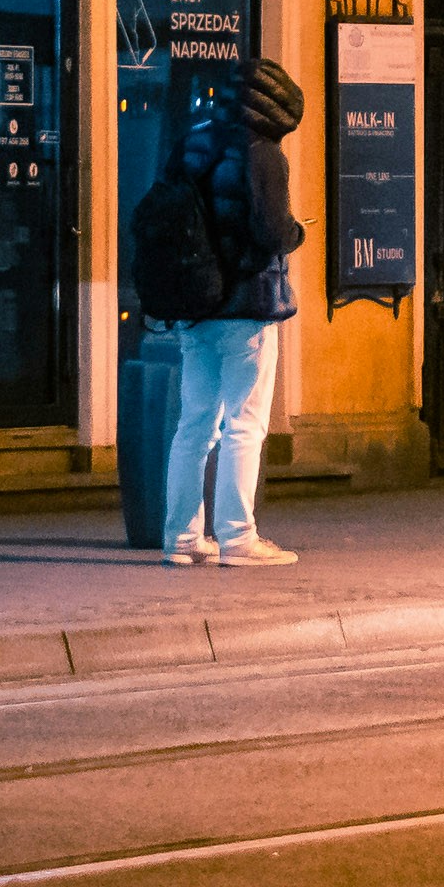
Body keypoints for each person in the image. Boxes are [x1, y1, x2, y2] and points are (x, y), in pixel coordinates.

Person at [162, 56, 307, 566]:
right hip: (246, 305)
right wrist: (299, 232)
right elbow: (272, 232)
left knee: (194, 424)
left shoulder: (191, 142)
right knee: (245, 423)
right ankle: (238, 538)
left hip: (193, 304)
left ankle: (180, 540)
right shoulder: (264, 154)